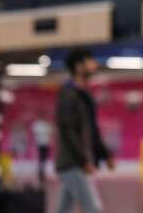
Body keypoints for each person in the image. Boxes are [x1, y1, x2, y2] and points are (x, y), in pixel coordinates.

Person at [54, 49, 115, 213]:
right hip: (72, 162)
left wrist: (105, 154)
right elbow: (68, 130)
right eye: (90, 60)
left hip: (76, 163)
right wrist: (83, 160)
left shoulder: (84, 96)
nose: (94, 64)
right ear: (79, 67)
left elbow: (92, 130)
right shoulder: (68, 94)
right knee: (93, 209)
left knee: (63, 209)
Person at [31, 111, 52, 183]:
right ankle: (40, 171)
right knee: (41, 158)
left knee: (43, 158)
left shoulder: (46, 124)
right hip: (40, 144)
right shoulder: (37, 125)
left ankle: (42, 170)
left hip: (45, 144)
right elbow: (34, 134)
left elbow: (51, 131)